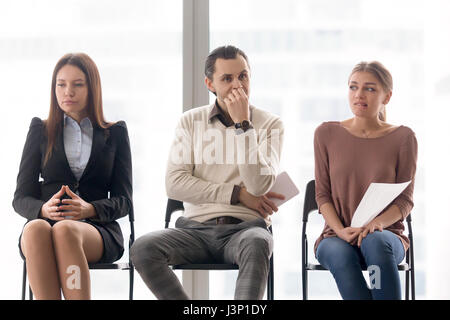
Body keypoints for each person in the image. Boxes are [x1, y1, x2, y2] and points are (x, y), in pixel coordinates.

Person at [130, 45, 284, 300]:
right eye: (227, 79)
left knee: (259, 242)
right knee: (143, 249)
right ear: (210, 84)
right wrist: (235, 194)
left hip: (245, 230)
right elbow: (174, 184)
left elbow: (258, 186)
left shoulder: (271, 124)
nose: (238, 86)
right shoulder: (190, 121)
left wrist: (243, 125)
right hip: (194, 231)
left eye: (243, 76)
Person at [13, 53, 133, 300]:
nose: (68, 91)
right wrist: (44, 210)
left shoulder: (115, 133)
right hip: (45, 227)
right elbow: (21, 198)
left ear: (92, 88)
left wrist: (89, 209)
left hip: (96, 230)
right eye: (61, 84)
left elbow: (124, 201)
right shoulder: (40, 130)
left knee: (66, 230)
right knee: (35, 228)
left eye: (78, 84)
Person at [313, 61, 418, 300]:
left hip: (386, 235)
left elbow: (405, 201)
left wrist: (377, 224)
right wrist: (340, 230)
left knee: (375, 243)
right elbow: (322, 195)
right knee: (341, 256)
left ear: (387, 96)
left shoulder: (404, 138)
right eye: (353, 87)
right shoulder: (326, 134)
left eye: (370, 89)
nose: (359, 95)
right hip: (335, 236)